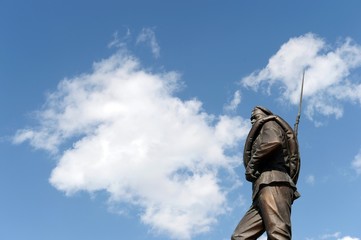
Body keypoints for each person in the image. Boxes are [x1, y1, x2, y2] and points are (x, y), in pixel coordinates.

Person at [231, 106, 300, 240]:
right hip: (262, 188)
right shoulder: (263, 127)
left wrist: (251, 165)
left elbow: (273, 142)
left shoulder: (269, 123)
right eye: (250, 118)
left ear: (265, 114)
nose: (252, 120)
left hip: (274, 181)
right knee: (239, 237)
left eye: (255, 116)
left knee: (278, 234)